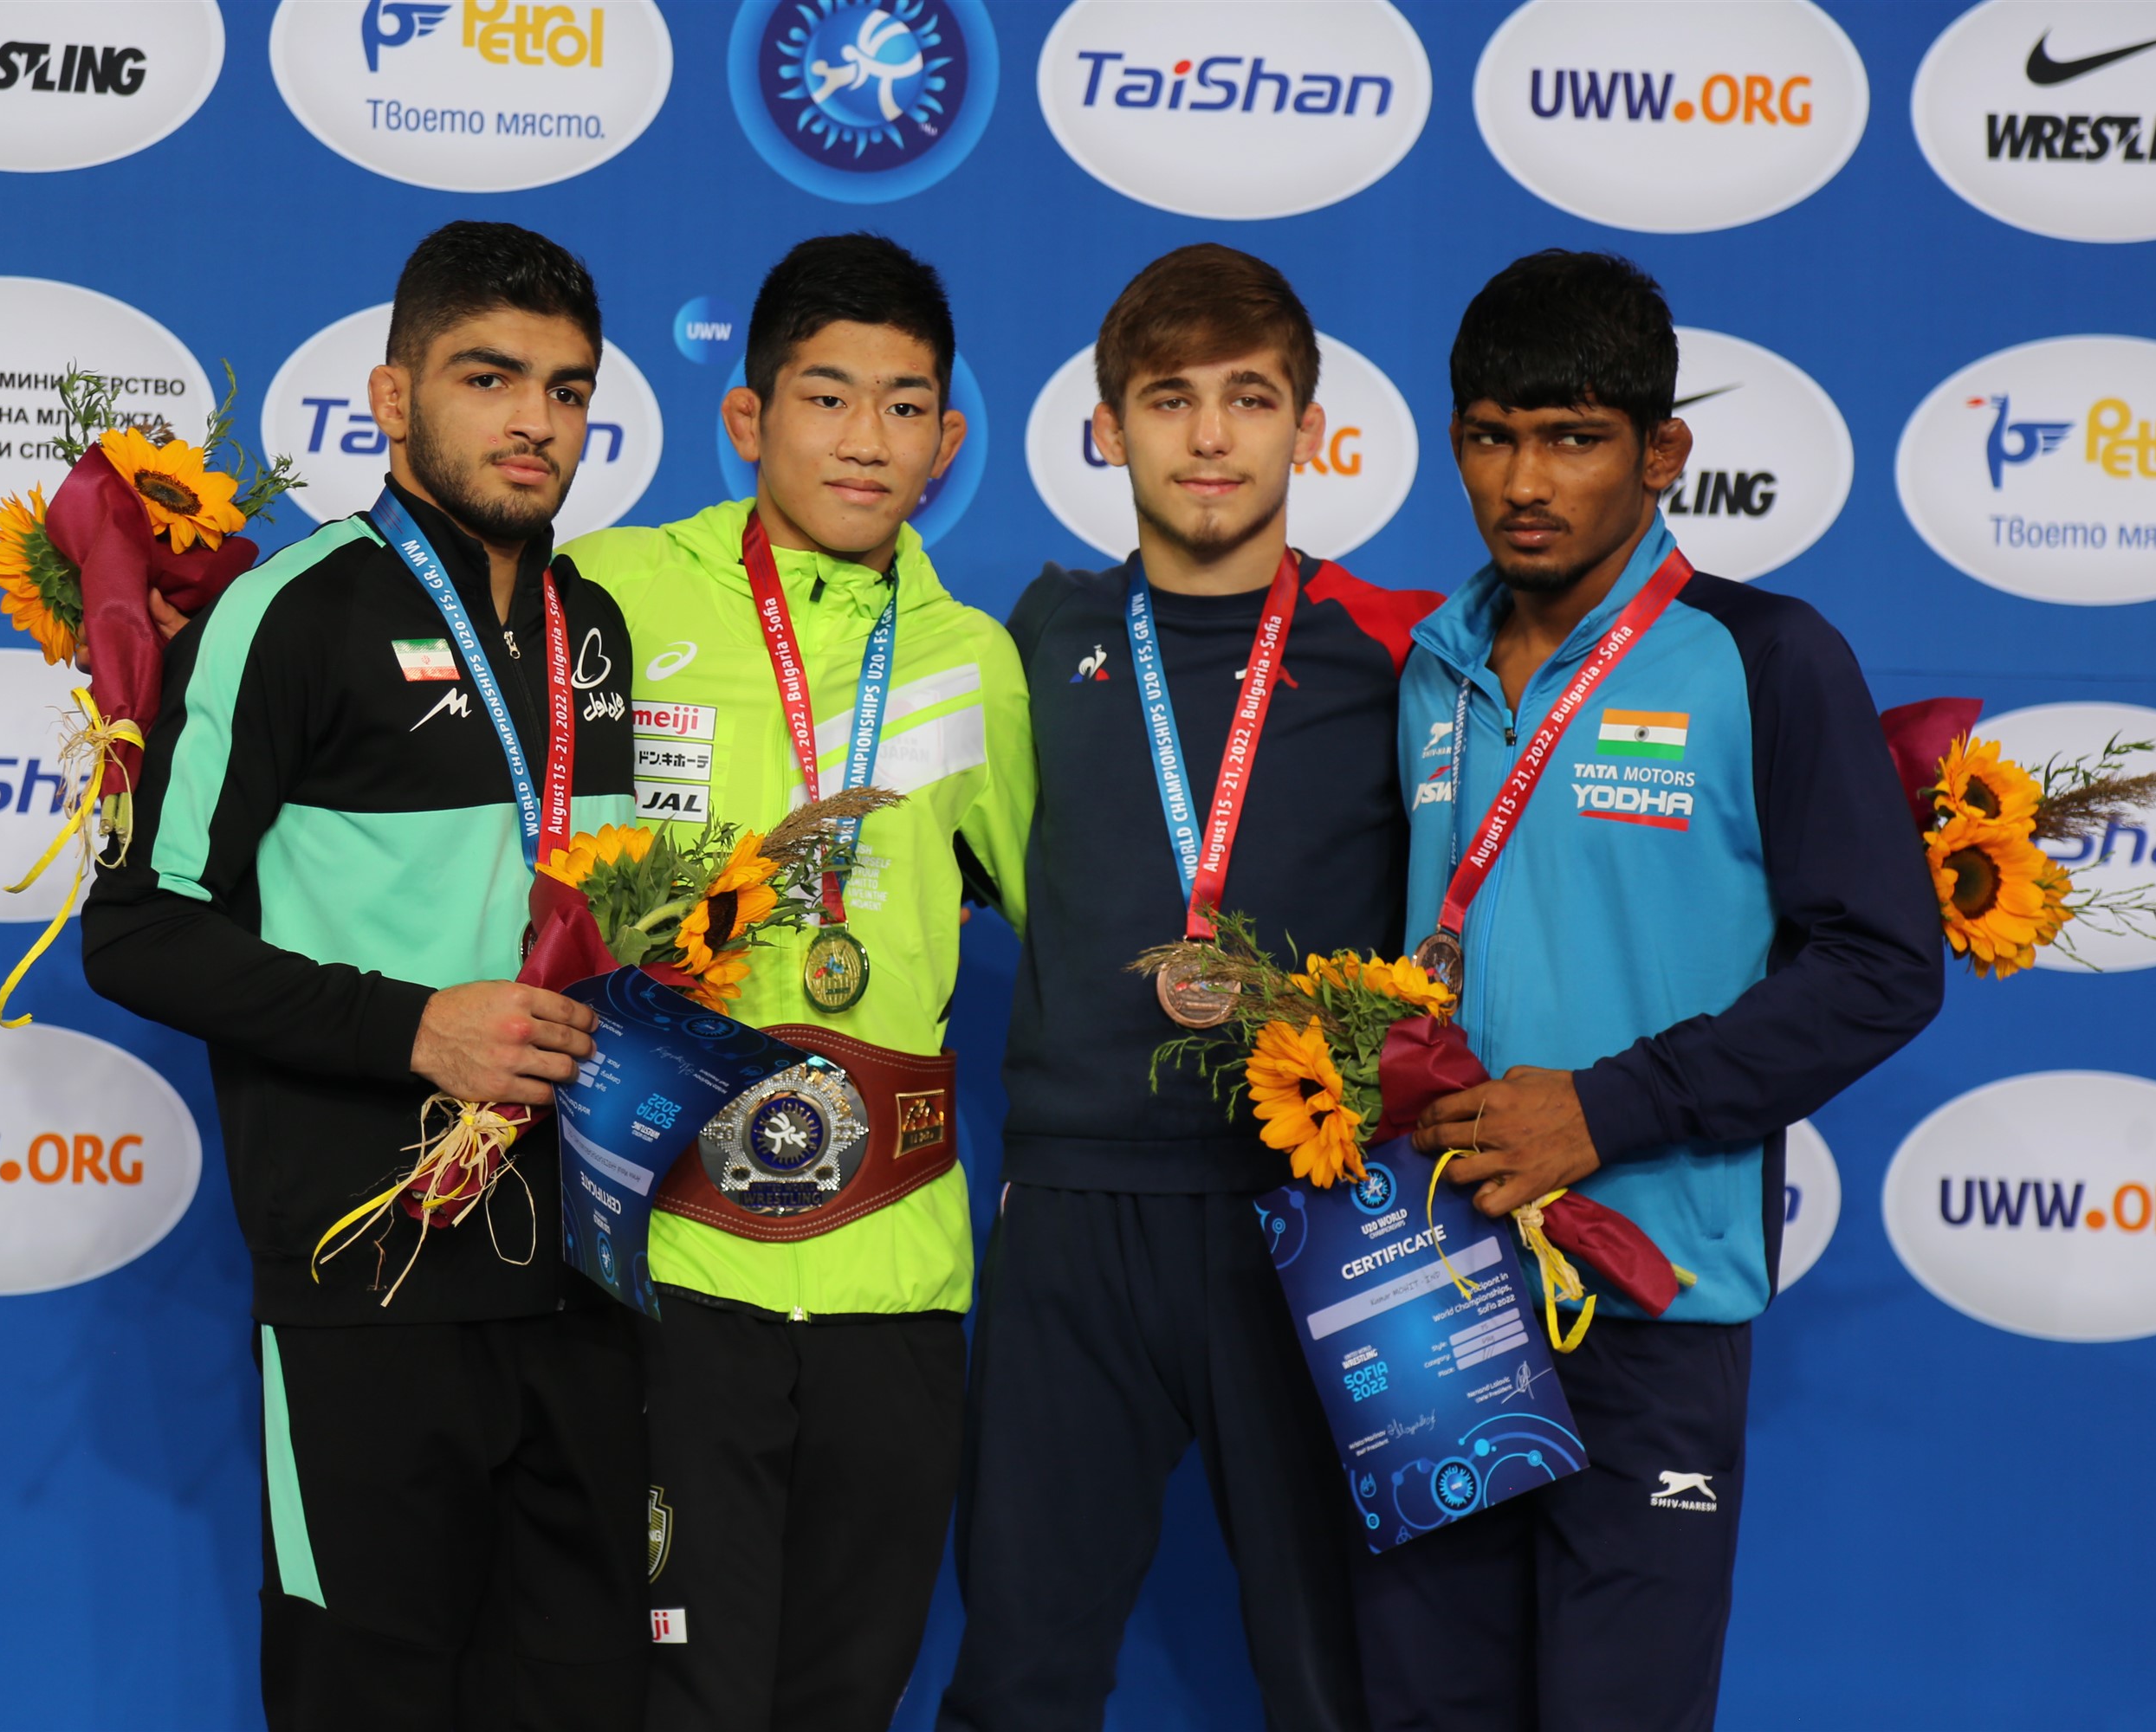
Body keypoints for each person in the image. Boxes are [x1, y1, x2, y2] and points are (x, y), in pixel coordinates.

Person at [1363, 250, 1944, 1731]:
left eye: (1574, 438)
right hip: (1429, 1293)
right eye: (1491, 436)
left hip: (1646, 1295)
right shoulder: (1429, 668)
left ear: (1662, 452)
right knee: (1427, 1710)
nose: (1525, 482)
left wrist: (1604, 1110)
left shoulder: (1766, 658)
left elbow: (1882, 966)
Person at [83, 221, 648, 1731]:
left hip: (588, 1281)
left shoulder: (595, 629)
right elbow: (136, 928)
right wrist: (415, 1033)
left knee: (585, 1701)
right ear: (393, 399)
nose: (534, 421)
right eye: (488, 377)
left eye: (568, 390)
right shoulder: (290, 613)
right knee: (369, 1701)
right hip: (370, 1282)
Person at [938, 243, 1440, 1732]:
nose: (1210, 437)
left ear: (1310, 426)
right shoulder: (1034, 640)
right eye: (1169, 400)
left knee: (1339, 1679)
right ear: (1108, 426)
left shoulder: (1400, 653)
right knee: (1018, 1678)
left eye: (1249, 398)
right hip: (1075, 1212)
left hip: (1316, 1208)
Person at [561, 233, 1034, 1732]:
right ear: (748, 417)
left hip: (898, 1276)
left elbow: (1079, 925)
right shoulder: (614, 593)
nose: (866, 439)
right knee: (682, 1696)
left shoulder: (977, 661)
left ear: (948, 441)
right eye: (828, 398)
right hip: (669, 1262)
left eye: (906, 406)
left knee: (848, 1692)